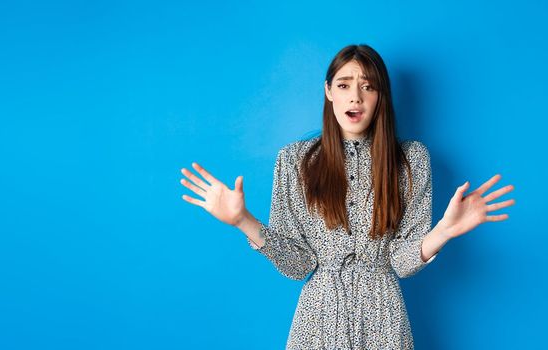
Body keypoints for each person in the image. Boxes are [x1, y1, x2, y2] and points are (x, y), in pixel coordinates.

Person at [178, 44, 516, 349]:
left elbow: (401, 262)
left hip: (384, 319)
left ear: (380, 96)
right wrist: (243, 221)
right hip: (317, 320)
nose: (355, 96)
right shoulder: (294, 160)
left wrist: (444, 230)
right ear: (328, 91)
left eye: (368, 86)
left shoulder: (410, 160)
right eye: (344, 85)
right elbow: (298, 266)